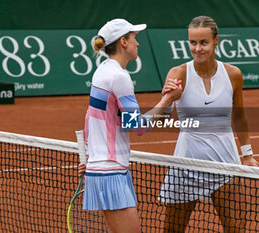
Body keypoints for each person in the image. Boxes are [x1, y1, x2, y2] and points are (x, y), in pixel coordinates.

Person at [77, 18, 181, 233]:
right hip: (110, 172)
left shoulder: (102, 71)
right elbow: (138, 127)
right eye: (134, 38)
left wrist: (167, 103)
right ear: (123, 42)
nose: (138, 43)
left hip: (103, 168)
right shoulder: (119, 77)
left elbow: (93, 120)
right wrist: (165, 101)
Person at [159, 16, 258, 233]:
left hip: (225, 162)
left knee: (236, 229)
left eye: (203, 42)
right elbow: (161, 120)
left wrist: (247, 153)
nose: (197, 48)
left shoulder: (233, 75)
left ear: (216, 41)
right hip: (186, 165)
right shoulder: (178, 74)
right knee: (172, 230)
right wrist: (166, 100)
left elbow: (239, 116)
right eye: (193, 43)